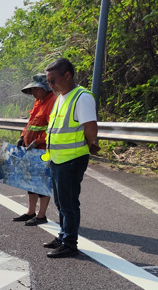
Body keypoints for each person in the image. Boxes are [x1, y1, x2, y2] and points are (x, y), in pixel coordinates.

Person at [42, 57, 100, 258]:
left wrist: (87, 145)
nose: (50, 85)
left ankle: (70, 243)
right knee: (60, 202)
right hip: (58, 158)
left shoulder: (81, 97)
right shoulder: (61, 97)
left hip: (72, 159)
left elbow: (91, 129)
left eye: (53, 80)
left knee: (69, 203)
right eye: (48, 81)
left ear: (67, 75)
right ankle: (63, 235)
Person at [12, 74, 56, 226]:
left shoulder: (52, 102)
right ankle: (30, 212)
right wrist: (22, 136)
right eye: (32, 91)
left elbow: (51, 128)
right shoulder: (39, 102)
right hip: (30, 149)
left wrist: (37, 142)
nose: (33, 93)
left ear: (44, 88)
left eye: (35, 90)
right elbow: (31, 123)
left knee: (42, 182)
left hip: (43, 150)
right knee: (30, 181)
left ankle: (41, 215)